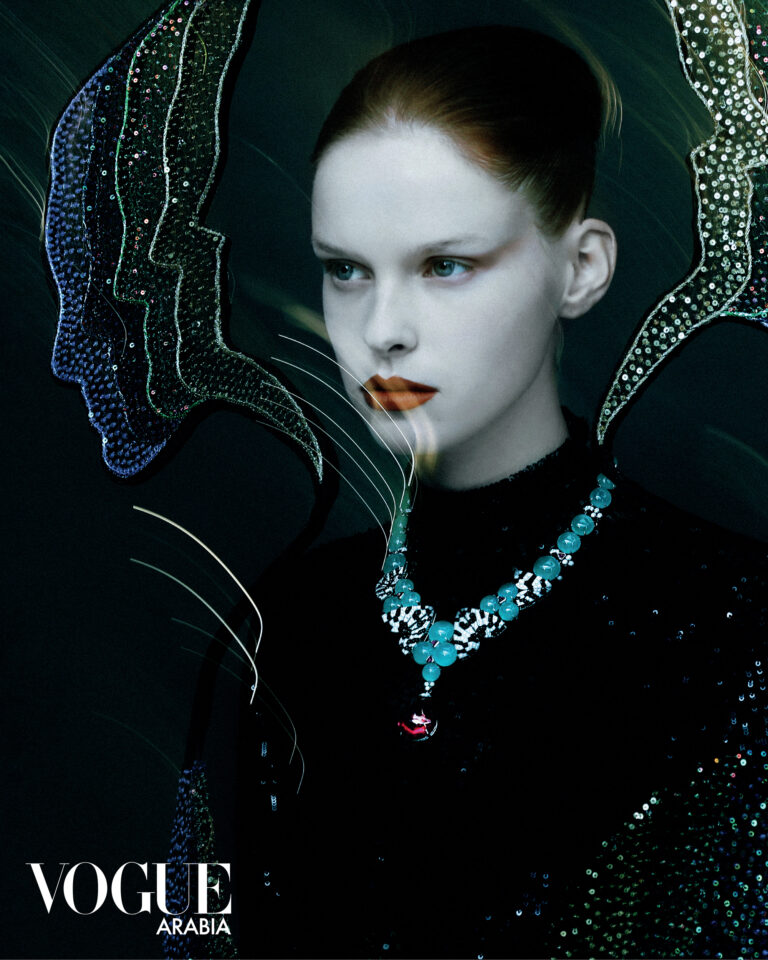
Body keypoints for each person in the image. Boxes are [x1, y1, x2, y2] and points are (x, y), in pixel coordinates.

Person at [225, 24, 768, 960]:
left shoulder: (733, 623)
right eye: (346, 269)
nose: (383, 331)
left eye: (446, 265)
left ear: (582, 267)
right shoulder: (283, 622)